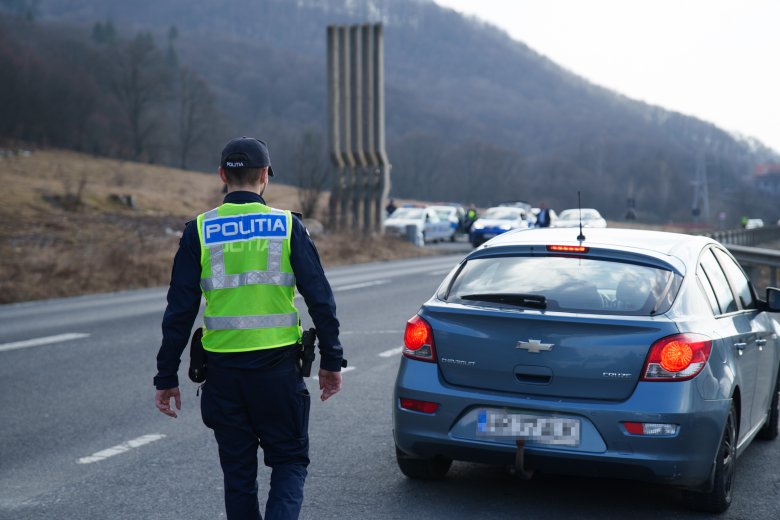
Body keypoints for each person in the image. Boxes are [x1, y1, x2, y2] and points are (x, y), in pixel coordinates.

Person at [154, 136, 344, 520]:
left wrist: (165, 376)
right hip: (277, 371)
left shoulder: (199, 231)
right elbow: (320, 299)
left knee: (239, 477)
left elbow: (179, 311)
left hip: (223, 375)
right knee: (289, 461)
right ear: (265, 176)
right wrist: (331, 361)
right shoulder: (287, 226)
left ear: (223, 175)